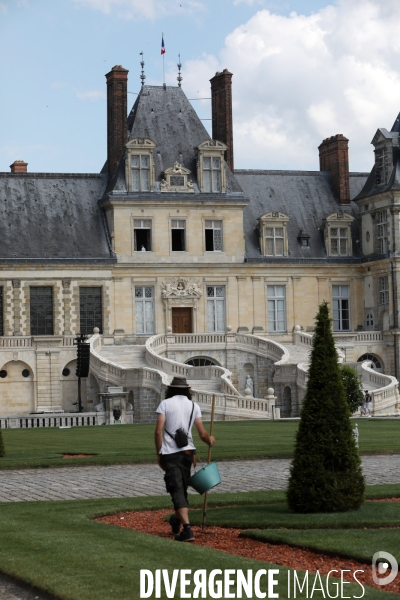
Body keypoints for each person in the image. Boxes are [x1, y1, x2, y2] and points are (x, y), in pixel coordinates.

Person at [154, 376, 216, 542]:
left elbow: (158, 431)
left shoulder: (165, 404)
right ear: (187, 390)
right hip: (189, 454)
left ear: (171, 389)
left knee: (176, 490)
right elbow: (202, 434)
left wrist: (159, 453)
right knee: (181, 489)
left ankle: (187, 530)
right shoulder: (194, 406)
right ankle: (176, 520)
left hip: (171, 454)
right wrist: (210, 440)